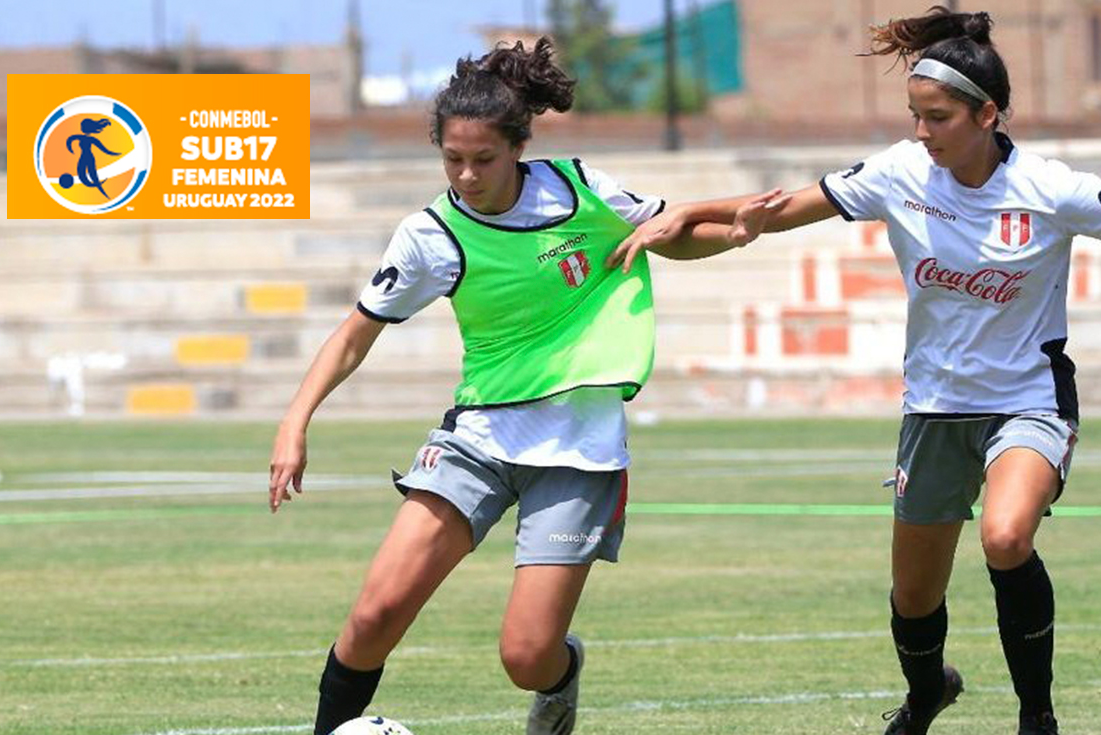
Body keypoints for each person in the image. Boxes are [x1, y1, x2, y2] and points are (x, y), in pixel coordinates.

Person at [608, 7, 1101, 735]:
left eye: (938, 117)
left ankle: (1037, 715)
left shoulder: (1053, 188)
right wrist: (690, 212)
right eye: (915, 115)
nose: (922, 132)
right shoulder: (900, 172)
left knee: (1007, 537)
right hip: (934, 408)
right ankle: (927, 692)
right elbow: (783, 207)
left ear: (988, 114)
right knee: (914, 597)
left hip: (1027, 401)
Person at [268, 38, 778, 735]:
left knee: (527, 653)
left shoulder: (580, 189)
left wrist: (734, 233)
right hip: (478, 436)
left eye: (484, 159)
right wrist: (296, 421)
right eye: (453, 160)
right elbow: (357, 330)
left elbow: (671, 231)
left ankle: (561, 678)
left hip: (580, 449)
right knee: (374, 614)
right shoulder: (430, 234)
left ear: (517, 146)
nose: (468, 176)